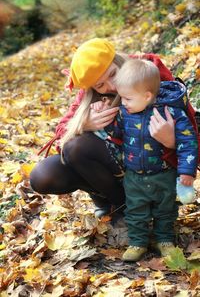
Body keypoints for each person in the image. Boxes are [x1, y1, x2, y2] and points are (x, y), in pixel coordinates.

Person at [29, 38, 181, 219]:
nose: (111, 86)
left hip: (152, 166)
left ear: (117, 60)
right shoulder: (90, 94)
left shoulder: (148, 71)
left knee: (78, 147)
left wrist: (172, 140)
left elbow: (188, 128)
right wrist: (84, 124)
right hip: (114, 166)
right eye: (100, 85)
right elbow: (62, 131)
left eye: (113, 74)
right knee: (45, 174)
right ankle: (117, 204)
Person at [102, 58, 198, 261]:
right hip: (134, 175)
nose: (123, 103)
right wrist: (104, 119)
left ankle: (165, 240)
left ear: (147, 96)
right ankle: (138, 242)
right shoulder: (125, 113)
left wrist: (186, 172)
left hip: (164, 174)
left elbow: (188, 142)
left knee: (166, 209)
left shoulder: (171, 113)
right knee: (136, 210)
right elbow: (115, 133)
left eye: (127, 98)